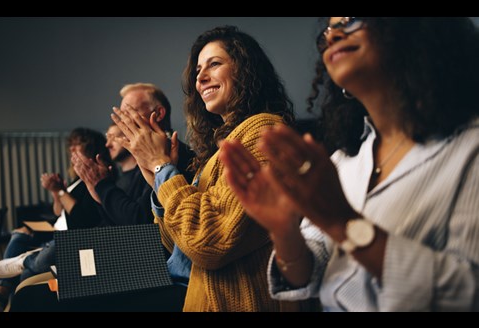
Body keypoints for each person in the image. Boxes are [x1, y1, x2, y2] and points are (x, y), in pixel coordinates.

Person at [219, 17, 479, 311]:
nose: (333, 35)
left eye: (353, 20)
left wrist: (343, 223)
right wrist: (283, 231)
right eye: (328, 30)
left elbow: (467, 293)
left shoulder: (470, 149)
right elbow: (305, 273)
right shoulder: (344, 160)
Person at [112, 26, 311, 312]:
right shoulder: (220, 148)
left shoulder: (262, 131)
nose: (201, 78)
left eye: (214, 64)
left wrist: (163, 167)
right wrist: (156, 177)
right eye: (197, 72)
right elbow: (177, 246)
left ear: (246, 70)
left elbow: (209, 243)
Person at [0, 128, 110, 311]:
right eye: (70, 147)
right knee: (19, 234)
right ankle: (1, 293)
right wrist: (57, 193)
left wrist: (60, 191)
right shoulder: (75, 182)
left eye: (76, 147)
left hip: (68, 236)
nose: (71, 151)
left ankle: (23, 263)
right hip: (56, 229)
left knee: (29, 266)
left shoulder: (97, 180)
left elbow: (80, 219)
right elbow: (58, 212)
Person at [71, 122, 154, 226]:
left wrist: (102, 186)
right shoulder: (117, 178)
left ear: (130, 137)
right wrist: (98, 195)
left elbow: (137, 220)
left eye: (114, 138)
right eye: (107, 139)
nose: (107, 144)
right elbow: (114, 221)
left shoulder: (146, 175)